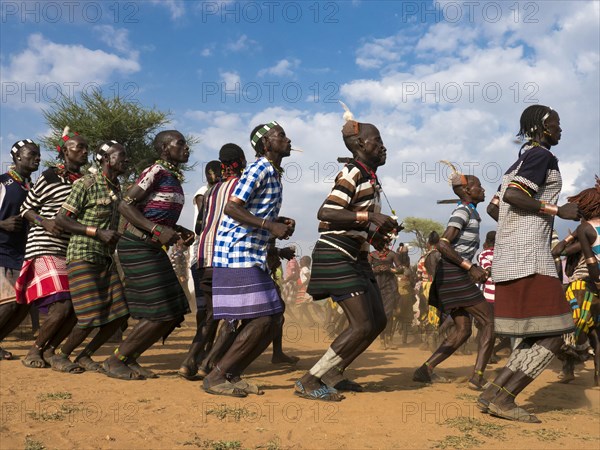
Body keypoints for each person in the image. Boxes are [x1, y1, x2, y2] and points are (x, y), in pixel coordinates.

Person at [478, 104, 580, 423]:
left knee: (536, 333)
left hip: (509, 258)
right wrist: (556, 211)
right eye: (556, 124)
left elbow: (495, 209)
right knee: (556, 331)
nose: (560, 130)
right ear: (541, 128)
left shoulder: (517, 162)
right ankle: (506, 399)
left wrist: (517, 228)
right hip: (530, 258)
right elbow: (512, 198)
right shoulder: (542, 157)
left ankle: (494, 393)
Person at [296, 104, 398, 401]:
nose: (383, 147)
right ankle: (310, 380)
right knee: (362, 323)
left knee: (378, 321)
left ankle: (333, 373)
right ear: (360, 144)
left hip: (355, 255)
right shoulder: (352, 172)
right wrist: (370, 219)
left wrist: (376, 238)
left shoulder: (370, 178)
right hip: (335, 253)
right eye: (377, 141)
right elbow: (326, 211)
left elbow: (356, 220)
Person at [202, 122, 295, 397]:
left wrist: (278, 221)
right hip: (237, 252)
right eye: (281, 136)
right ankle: (217, 375)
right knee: (265, 318)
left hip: (251, 253)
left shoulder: (273, 173)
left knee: (274, 317)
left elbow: (254, 211)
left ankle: (229, 373)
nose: (288, 140)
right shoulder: (259, 168)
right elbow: (232, 207)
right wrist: (269, 226)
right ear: (266, 144)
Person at [102, 130, 194, 380]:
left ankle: (129, 358)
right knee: (162, 309)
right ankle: (116, 360)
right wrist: (156, 230)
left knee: (172, 311)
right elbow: (125, 204)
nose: (186, 148)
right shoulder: (155, 171)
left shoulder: (172, 176)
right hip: (136, 245)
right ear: (165, 148)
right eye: (181, 144)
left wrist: (177, 231)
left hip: (152, 246)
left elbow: (156, 213)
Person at [50, 141, 130, 372]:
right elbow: (61, 219)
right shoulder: (85, 184)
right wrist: (96, 232)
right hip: (82, 255)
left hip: (104, 258)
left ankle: (85, 355)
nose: (126, 159)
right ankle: (61, 356)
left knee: (119, 315)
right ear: (106, 159)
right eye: (121, 155)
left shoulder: (116, 189)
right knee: (90, 315)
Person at [413, 164, 493, 390]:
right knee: (489, 321)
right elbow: (443, 244)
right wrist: (470, 267)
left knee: (464, 329)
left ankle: (425, 370)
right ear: (467, 191)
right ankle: (477, 377)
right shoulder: (463, 211)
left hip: (454, 274)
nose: (483, 189)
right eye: (478, 186)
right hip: (454, 274)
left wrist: (473, 266)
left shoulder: (471, 211)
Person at [15, 128, 88, 370]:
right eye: (79, 147)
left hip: (69, 249)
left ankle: (49, 350)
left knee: (76, 308)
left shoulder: (86, 182)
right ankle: (34, 350)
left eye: (86, 148)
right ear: (65, 152)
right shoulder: (49, 176)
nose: (84, 151)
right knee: (63, 304)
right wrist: (44, 222)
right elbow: (26, 209)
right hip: (43, 245)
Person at [178, 146, 245, 380]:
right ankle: (209, 363)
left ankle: (189, 361)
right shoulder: (241, 187)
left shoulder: (210, 192)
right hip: (226, 258)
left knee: (210, 313)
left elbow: (199, 227)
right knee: (232, 314)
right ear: (242, 161)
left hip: (204, 258)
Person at [551, 177, 600, 385]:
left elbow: (557, 250)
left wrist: (572, 237)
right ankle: (594, 376)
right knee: (595, 335)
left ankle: (576, 356)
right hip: (590, 283)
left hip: (586, 283)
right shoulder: (586, 231)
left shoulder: (586, 230)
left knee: (572, 328)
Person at [0, 140, 41, 360]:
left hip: (22, 252)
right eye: (32, 154)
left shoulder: (31, 188)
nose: (37, 158)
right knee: (8, 303)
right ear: (16, 157)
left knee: (24, 304)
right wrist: (2, 224)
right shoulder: (3, 183)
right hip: (2, 250)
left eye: (39, 154)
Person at [368, 246, 402, 349]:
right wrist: (375, 269)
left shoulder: (392, 254)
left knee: (388, 313)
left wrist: (390, 269)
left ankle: (389, 340)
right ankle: (382, 341)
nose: (384, 244)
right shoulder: (372, 255)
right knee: (380, 314)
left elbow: (401, 269)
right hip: (376, 286)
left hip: (390, 287)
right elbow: (366, 270)